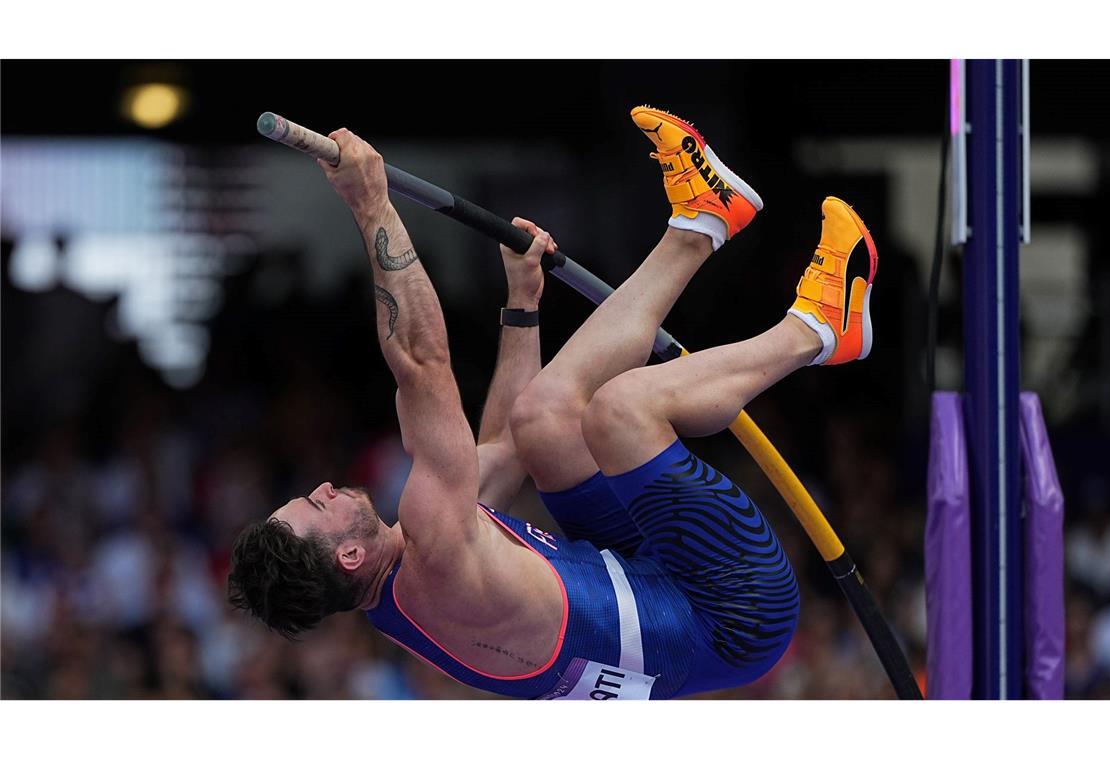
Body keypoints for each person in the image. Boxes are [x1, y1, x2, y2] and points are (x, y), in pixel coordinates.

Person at [228, 106, 878, 699]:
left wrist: (522, 306)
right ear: (346, 555)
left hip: (652, 581)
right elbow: (422, 364)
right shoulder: (436, 558)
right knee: (621, 413)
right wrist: (372, 207)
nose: (323, 487)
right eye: (316, 505)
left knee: (541, 422)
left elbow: (504, 449)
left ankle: (703, 220)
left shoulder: (407, 579)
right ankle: (817, 330)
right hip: (735, 614)